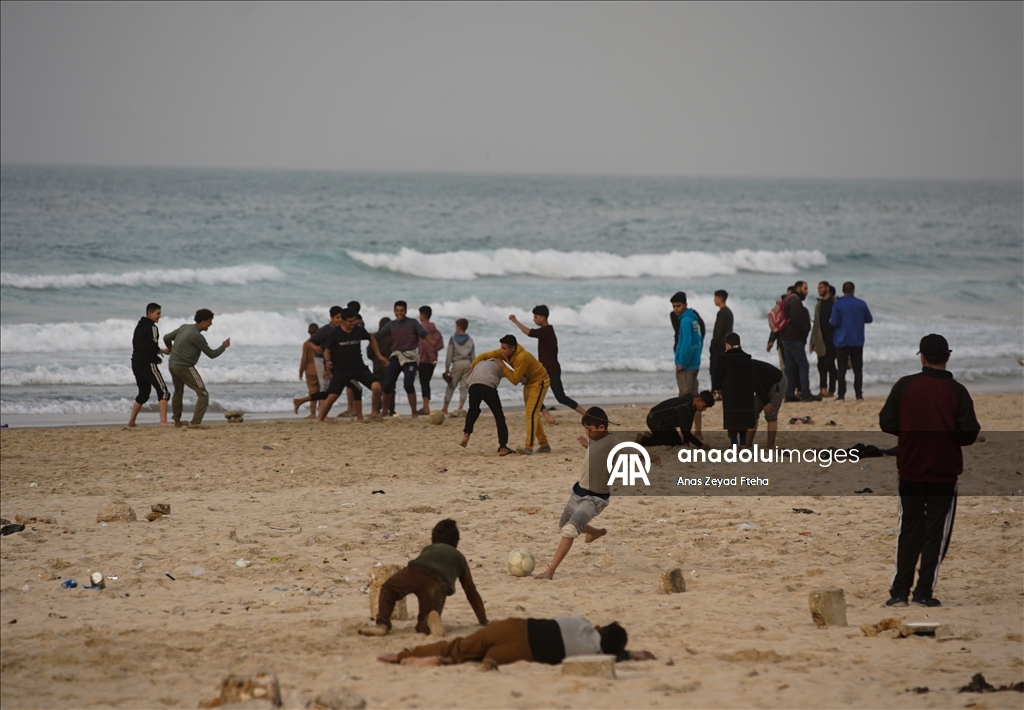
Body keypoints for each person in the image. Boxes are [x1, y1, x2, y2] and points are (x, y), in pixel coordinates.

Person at [879, 334, 980, 607]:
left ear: (922, 357)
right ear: (947, 357)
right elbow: (969, 432)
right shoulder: (957, 391)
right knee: (936, 531)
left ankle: (900, 592)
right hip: (944, 470)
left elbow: (887, 422)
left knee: (909, 529)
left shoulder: (905, 386)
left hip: (910, 467)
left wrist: (910, 431)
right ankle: (923, 592)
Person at [359, 519, 488, 637]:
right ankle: (428, 620)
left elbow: (421, 568)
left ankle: (382, 624)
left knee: (388, 588)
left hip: (415, 570)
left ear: (432, 540)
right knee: (424, 623)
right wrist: (483, 620)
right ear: (456, 542)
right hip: (437, 583)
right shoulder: (459, 557)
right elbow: (470, 591)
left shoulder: (428, 549)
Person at [534, 407, 619, 580]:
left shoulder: (613, 442)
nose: (587, 432)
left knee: (570, 530)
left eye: (589, 429)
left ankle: (550, 571)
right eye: (585, 428)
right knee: (564, 524)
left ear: (602, 428)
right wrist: (588, 446)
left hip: (594, 499)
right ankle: (594, 532)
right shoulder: (596, 438)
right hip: (578, 492)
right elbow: (598, 454)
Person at [377, 616, 655, 668]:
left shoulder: (582, 622)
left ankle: (402, 655)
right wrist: (629, 656)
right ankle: (446, 662)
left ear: (598, 628)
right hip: (522, 653)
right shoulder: (597, 655)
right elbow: (616, 657)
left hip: (514, 627)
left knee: (460, 644)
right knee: (480, 659)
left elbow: (593, 632)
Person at [293, 308, 386, 422]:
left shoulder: (358, 330)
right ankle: (320, 419)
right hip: (341, 371)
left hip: (359, 368)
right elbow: (327, 351)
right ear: (343, 321)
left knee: (376, 387)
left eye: (354, 321)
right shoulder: (334, 334)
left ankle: (373, 413)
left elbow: (371, 338)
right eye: (350, 321)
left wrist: (380, 356)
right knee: (331, 396)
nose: (353, 324)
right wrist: (327, 362)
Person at [471, 334, 549, 454]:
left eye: (504, 349)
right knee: (532, 413)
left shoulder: (522, 357)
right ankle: (544, 445)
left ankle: (529, 447)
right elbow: (483, 356)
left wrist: (502, 366)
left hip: (540, 381)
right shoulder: (504, 352)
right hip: (529, 382)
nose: (501, 351)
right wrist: (472, 367)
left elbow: (514, 380)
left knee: (531, 413)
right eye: (501, 348)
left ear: (512, 348)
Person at [509, 306, 586, 424]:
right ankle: (547, 416)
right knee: (531, 391)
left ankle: (587, 415)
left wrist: (515, 321)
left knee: (561, 397)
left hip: (552, 370)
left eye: (536, 317)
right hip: (544, 370)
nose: (534, 320)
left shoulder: (547, 331)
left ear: (543, 317)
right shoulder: (546, 331)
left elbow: (530, 333)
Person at [163, 308, 230, 427]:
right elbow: (212, 354)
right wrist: (223, 346)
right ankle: (195, 423)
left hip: (172, 365)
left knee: (178, 392)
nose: (211, 324)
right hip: (185, 367)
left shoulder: (184, 327)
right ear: (203, 322)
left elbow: (166, 337)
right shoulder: (197, 336)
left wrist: (171, 349)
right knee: (203, 394)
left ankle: (177, 421)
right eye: (210, 321)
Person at [377, 301, 430, 418]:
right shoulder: (391, 325)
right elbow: (379, 335)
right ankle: (384, 410)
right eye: (397, 310)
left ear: (405, 311)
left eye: (401, 310)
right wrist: (366, 335)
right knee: (387, 384)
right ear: (394, 311)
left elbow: (423, 333)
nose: (399, 313)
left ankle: (414, 413)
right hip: (396, 355)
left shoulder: (413, 323)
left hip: (410, 356)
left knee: (408, 384)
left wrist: (432, 341)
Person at [127, 302, 171, 427]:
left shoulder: (139, 326)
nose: (159, 316)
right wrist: (156, 358)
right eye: (158, 313)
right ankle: (163, 421)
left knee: (144, 392)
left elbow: (142, 346)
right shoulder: (152, 328)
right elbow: (152, 347)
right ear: (150, 313)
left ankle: (131, 422)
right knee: (163, 391)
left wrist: (161, 351)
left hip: (136, 362)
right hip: (147, 363)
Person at [670, 291, 705, 439]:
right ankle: (698, 431)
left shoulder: (684, 321)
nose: (676, 309)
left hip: (687, 366)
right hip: (695, 363)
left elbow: (687, 345)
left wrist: (682, 363)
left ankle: (687, 434)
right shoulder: (694, 319)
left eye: (678, 306)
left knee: (684, 401)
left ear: (685, 305)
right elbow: (700, 340)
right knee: (695, 400)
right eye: (674, 307)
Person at [831, 281, 873, 402]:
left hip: (841, 340)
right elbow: (869, 319)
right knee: (858, 369)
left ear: (843, 291)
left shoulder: (838, 304)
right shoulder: (861, 304)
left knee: (841, 369)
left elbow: (833, 322)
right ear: (853, 290)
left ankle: (841, 395)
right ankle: (859, 395)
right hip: (857, 340)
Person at [459, 358, 511, 456]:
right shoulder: (500, 363)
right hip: (488, 386)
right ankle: (503, 447)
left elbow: (469, 374)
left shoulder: (479, 362)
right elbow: (514, 377)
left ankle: (466, 434)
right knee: (498, 415)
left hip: (473, 386)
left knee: (473, 410)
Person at [711, 333, 756, 446]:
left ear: (727, 345)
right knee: (743, 419)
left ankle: (734, 445)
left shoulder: (724, 358)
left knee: (732, 420)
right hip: (746, 393)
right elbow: (753, 376)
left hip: (730, 393)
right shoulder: (747, 358)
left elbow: (717, 376)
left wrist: (717, 389)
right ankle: (744, 444)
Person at [779, 281, 820, 402]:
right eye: (805, 288)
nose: (807, 291)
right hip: (794, 338)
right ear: (798, 288)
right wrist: (805, 332)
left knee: (790, 367)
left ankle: (789, 394)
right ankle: (805, 393)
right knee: (803, 365)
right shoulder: (796, 300)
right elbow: (798, 320)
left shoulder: (788, 299)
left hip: (785, 338)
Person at [639, 393, 714, 449]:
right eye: (704, 406)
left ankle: (651, 436)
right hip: (655, 419)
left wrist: (686, 442)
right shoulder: (684, 407)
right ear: (698, 400)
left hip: (666, 423)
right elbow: (685, 432)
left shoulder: (692, 402)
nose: (704, 409)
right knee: (670, 442)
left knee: (678, 442)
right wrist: (701, 445)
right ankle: (643, 439)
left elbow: (688, 424)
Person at [748, 359, 786, 448]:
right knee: (752, 412)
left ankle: (770, 445)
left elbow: (756, 384)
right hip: (763, 385)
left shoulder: (746, 367)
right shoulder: (736, 369)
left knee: (771, 414)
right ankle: (748, 444)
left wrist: (766, 402)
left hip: (777, 382)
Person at [441, 318, 475, 417]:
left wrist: (447, 368)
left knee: (451, 386)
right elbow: (473, 356)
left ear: (458, 327)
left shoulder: (453, 339)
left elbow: (449, 354)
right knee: (464, 387)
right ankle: (460, 408)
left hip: (457, 363)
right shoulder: (470, 340)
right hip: (468, 363)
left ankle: (445, 408)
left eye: (456, 326)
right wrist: (473, 367)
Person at [416, 306, 445, 415]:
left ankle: (426, 407)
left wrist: (431, 355)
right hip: (433, 361)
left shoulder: (422, 327)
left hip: (425, 359)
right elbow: (441, 344)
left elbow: (425, 345)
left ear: (422, 315)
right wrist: (434, 351)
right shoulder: (435, 329)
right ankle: (425, 405)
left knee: (424, 382)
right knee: (426, 382)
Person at [810, 282, 837, 398]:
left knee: (830, 364)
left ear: (828, 288)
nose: (818, 290)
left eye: (821, 287)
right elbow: (816, 324)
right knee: (821, 365)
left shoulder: (835, 303)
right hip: (821, 339)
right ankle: (823, 389)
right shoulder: (819, 305)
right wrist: (812, 341)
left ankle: (832, 390)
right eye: (818, 288)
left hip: (833, 339)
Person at [310, 307, 344, 392]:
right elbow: (310, 341)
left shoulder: (342, 330)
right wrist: (315, 348)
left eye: (341, 318)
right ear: (331, 318)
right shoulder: (324, 330)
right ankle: (322, 404)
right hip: (320, 358)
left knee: (333, 385)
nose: (340, 320)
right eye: (337, 318)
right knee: (325, 385)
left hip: (333, 359)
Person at [369, 317, 395, 418]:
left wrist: (376, 359)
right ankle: (390, 409)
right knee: (390, 388)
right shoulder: (393, 337)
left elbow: (369, 353)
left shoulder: (375, 337)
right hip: (390, 364)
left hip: (377, 365)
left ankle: (377, 408)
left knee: (378, 388)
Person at [296, 323, 321, 419]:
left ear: (308, 332)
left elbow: (304, 359)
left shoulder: (306, 344)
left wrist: (301, 371)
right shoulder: (321, 343)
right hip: (320, 371)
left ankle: (312, 412)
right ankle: (322, 411)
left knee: (312, 392)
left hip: (310, 372)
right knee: (321, 392)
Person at [709, 290, 733, 378]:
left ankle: (715, 391)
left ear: (720, 298)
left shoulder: (722, 312)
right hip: (726, 345)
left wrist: (713, 343)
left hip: (719, 346)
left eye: (715, 298)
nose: (714, 300)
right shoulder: (728, 311)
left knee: (715, 371)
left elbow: (719, 331)